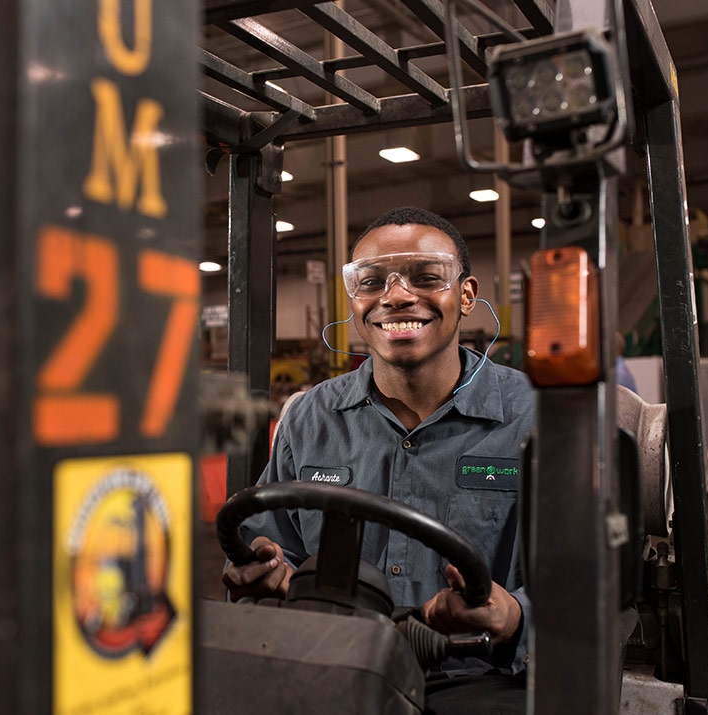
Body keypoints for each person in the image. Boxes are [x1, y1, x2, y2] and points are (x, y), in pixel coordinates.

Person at [221, 207, 536, 705]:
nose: (396, 296)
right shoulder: (309, 418)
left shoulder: (535, 419)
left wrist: (515, 616)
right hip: (333, 667)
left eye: (427, 278)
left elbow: (585, 590)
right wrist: (261, 570)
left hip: (480, 678)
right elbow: (275, 549)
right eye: (372, 282)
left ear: (467, 295)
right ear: (354, 299)